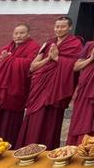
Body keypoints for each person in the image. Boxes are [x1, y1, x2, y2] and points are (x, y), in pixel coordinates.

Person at [17, 16, 83, 149]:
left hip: (56, 88)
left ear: (69, 27)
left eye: (63, 27)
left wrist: (57, 58)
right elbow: (33, 66)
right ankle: (28, 147)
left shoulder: (75, 43)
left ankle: (48, 148)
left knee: (51, 119)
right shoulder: (48, 43)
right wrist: (48, 59)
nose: (59, 29)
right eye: (57, 27)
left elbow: (75, 66)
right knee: (33, 116)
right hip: (40, 85)